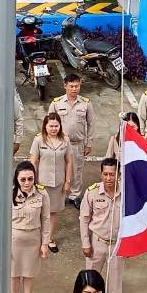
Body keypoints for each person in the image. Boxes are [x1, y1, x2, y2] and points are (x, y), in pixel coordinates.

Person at [81, 158, 124, 293]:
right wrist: (86, 243)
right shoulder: (92, 192)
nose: (108, 178)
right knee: (91, 278)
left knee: (115, 279)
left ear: (119, 175)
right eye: (105, 174)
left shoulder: (126, 194)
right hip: (97, 242)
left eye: (112, 174)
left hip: (117, 244)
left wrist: (128, 244)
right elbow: (84, 219)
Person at [9, 161, 48, 293]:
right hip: (13, 241)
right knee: (14, 274)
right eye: (23, 179)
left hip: (33, 240)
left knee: (29, 273)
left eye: (30, 179)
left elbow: (45, 219)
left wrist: (45, 243)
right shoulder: (9, 193)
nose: (27, 183)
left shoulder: (42, 194)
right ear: (17, 179)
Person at [48, 74, 94, 208]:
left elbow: (91, 124)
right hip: (60, 144)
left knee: (77, 171)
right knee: (59, 170)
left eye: (77, 86)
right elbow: (49, 123)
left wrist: (89, 143)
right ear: (65, 86)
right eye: (71, 86)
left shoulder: (86, 103)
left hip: (77, 144)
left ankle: (75, 196)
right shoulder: (56, 103)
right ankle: (60, 195)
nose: (74, 89)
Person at [29, 112, 72, 253]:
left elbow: (69, 162)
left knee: (53, 212)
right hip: (41, 183)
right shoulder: (39, 140)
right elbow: (33, 161)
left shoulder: (65, 140)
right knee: (38, 212)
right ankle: (37, 238)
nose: (53, 129)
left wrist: (67, 181)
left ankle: (49, 239)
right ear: (45, 126)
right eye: (51, 126)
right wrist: (31, 181)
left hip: (58, 184)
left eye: (56, 126)